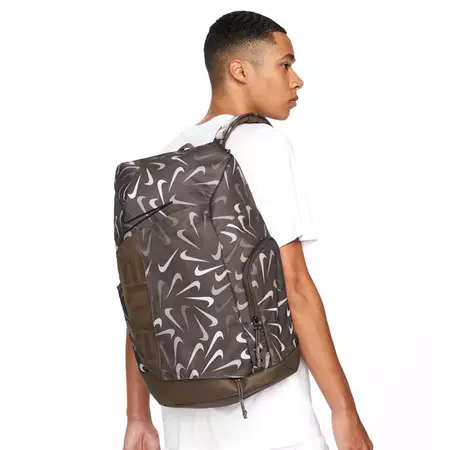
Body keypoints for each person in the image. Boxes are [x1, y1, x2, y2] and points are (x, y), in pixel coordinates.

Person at [122, 10, 374, 450]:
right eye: (285, 64)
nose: (296, 80)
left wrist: (138, 416)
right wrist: (345, 412)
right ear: (240, 70)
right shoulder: (262, 143)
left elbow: (142, 300)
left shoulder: (166, 158)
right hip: (269, 418)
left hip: (185, 421)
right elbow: (296, 287)